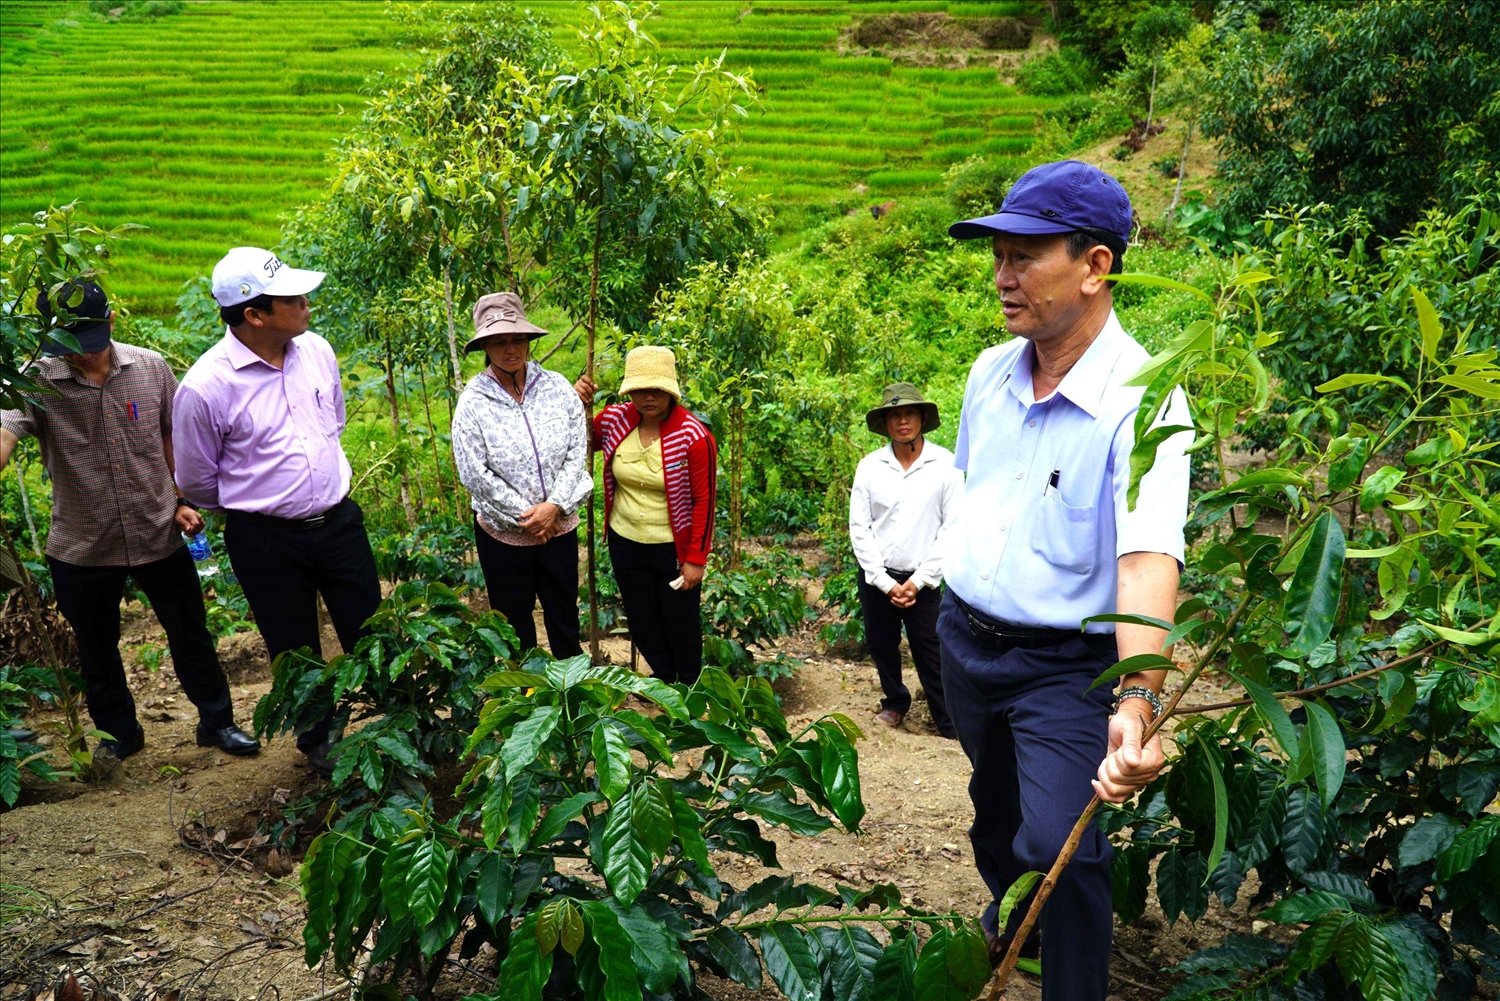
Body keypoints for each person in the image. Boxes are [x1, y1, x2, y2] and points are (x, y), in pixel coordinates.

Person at [941, 160, 1191, 999]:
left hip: (1063, 665)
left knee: (1061, 841)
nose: (1003, 278)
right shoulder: (988, 373)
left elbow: (1148, 556)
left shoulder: (1145, 399)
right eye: (998, 257)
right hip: (965, 642)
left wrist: (1136, 702)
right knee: (996, 813)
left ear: (1095, 266)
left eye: (1025, 256)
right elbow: (977, 497)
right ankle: (1016, 921)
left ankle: (1073, 982)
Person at [0, 279, 259, 769]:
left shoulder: (150, 368)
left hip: (156, 530)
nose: (81, 357)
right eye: (69, 346)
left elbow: (169, 435)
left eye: (89, 343)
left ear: (111, 322)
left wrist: (182, 498)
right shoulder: (33, 379)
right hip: (81, 543)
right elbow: (6, 429)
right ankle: (119, 733)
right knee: (96, 649)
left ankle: (217, 720)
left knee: (190, 634)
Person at [172, 247, 382, 776]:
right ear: (255, 314)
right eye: (293, 297)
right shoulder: (205, 387)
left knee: (372, 630)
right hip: (265, 539)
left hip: (338, 523)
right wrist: (263, 506)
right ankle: (319, 742)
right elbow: (197, 479)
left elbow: (331, 422)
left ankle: (393, 724)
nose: (307, 303)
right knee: (294, 646)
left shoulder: (316, 350)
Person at [451, 292, 591, 657]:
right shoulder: (473, 401)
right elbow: (474, 471)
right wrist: (526, 516)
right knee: (514, 626)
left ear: (528, 341)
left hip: (558, 528)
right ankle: (524, 699)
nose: (510, 349)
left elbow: (577, 451)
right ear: (485, 345)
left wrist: (555, 507)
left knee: (564, 617)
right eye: (499, 342)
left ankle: (573, 697)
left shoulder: (558, 388)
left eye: (516, 339)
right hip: (504, 537)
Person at [587, 347, 716, 684]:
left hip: (671, 546)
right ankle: (663, 678)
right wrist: (578, 402)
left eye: (657, 390)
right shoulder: (615, 420)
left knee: (681, 620)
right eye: (641, 390)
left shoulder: (693, 436)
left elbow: (704, 500)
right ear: (630, 391)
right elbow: (581, 437)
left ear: (670, 391)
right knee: (641, 619)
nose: (648, 397)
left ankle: (688, 686)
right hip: (625, 540)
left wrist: (695, 559)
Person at [848, 382, 961, 737]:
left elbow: (953, 526)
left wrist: (920, 579)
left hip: (923, 581)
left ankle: (947, 719)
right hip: (878, 578)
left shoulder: (945, 465)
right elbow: (860, 527)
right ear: (886, 423)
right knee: (882, 644)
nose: (902, 421)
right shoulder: (870, 467)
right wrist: (882, 580)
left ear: (921, 418)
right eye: (894, 415)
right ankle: (895, 702)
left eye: (908, 413)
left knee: (931, 648)